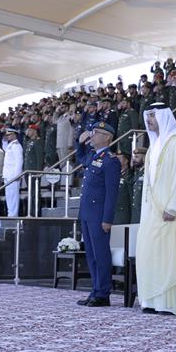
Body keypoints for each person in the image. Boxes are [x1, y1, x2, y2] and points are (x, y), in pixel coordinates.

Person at [136, 102, 176, 316]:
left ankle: (168, 303)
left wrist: (173, 207)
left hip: (169, 211)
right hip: (151, 212)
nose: (149, 120)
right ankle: (151, 300)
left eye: (152, 116)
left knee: (167, 255)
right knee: (149, 253)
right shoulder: (153, 145)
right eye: (147, 116)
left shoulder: (175, 142)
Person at [74, 122, 120, 307]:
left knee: (101, 254)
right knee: (91, 254)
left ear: (107, 137)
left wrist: (107, 219)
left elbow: (112, 192)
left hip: (99, 215)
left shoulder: (110, 160)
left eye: (96, 133)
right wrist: (80, 142)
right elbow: (80, 157)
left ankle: (103, 293)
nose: (92, 136)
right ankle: (95, 290)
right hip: (87, 213)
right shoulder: (95, 156)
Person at [2, 128, 23, 217]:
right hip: (8, 175)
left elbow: (19, 161)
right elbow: (5, 148)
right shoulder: (10, 145)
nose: (8, 136)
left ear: (14, 135)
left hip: (13, 175)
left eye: (9, 135)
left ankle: (13, 215)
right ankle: (10, 213)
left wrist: (17, 175)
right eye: (7, 135)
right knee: (9, 196)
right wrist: (3, 140)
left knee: (13, 197)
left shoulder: (17, 146)